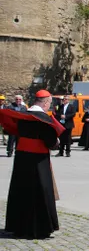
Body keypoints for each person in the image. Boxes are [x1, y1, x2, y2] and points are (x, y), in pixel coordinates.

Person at [0, 89, 63, 239]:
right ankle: (39, 228)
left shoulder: (23, 116)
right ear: (46, 102)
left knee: (21, 190)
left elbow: (14, 130)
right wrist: (57, 143)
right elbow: (51, 142)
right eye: (49, 103)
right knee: (40, 191)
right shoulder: (44, 119)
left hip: (22, 158)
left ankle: (19, 226)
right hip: (39, 160)